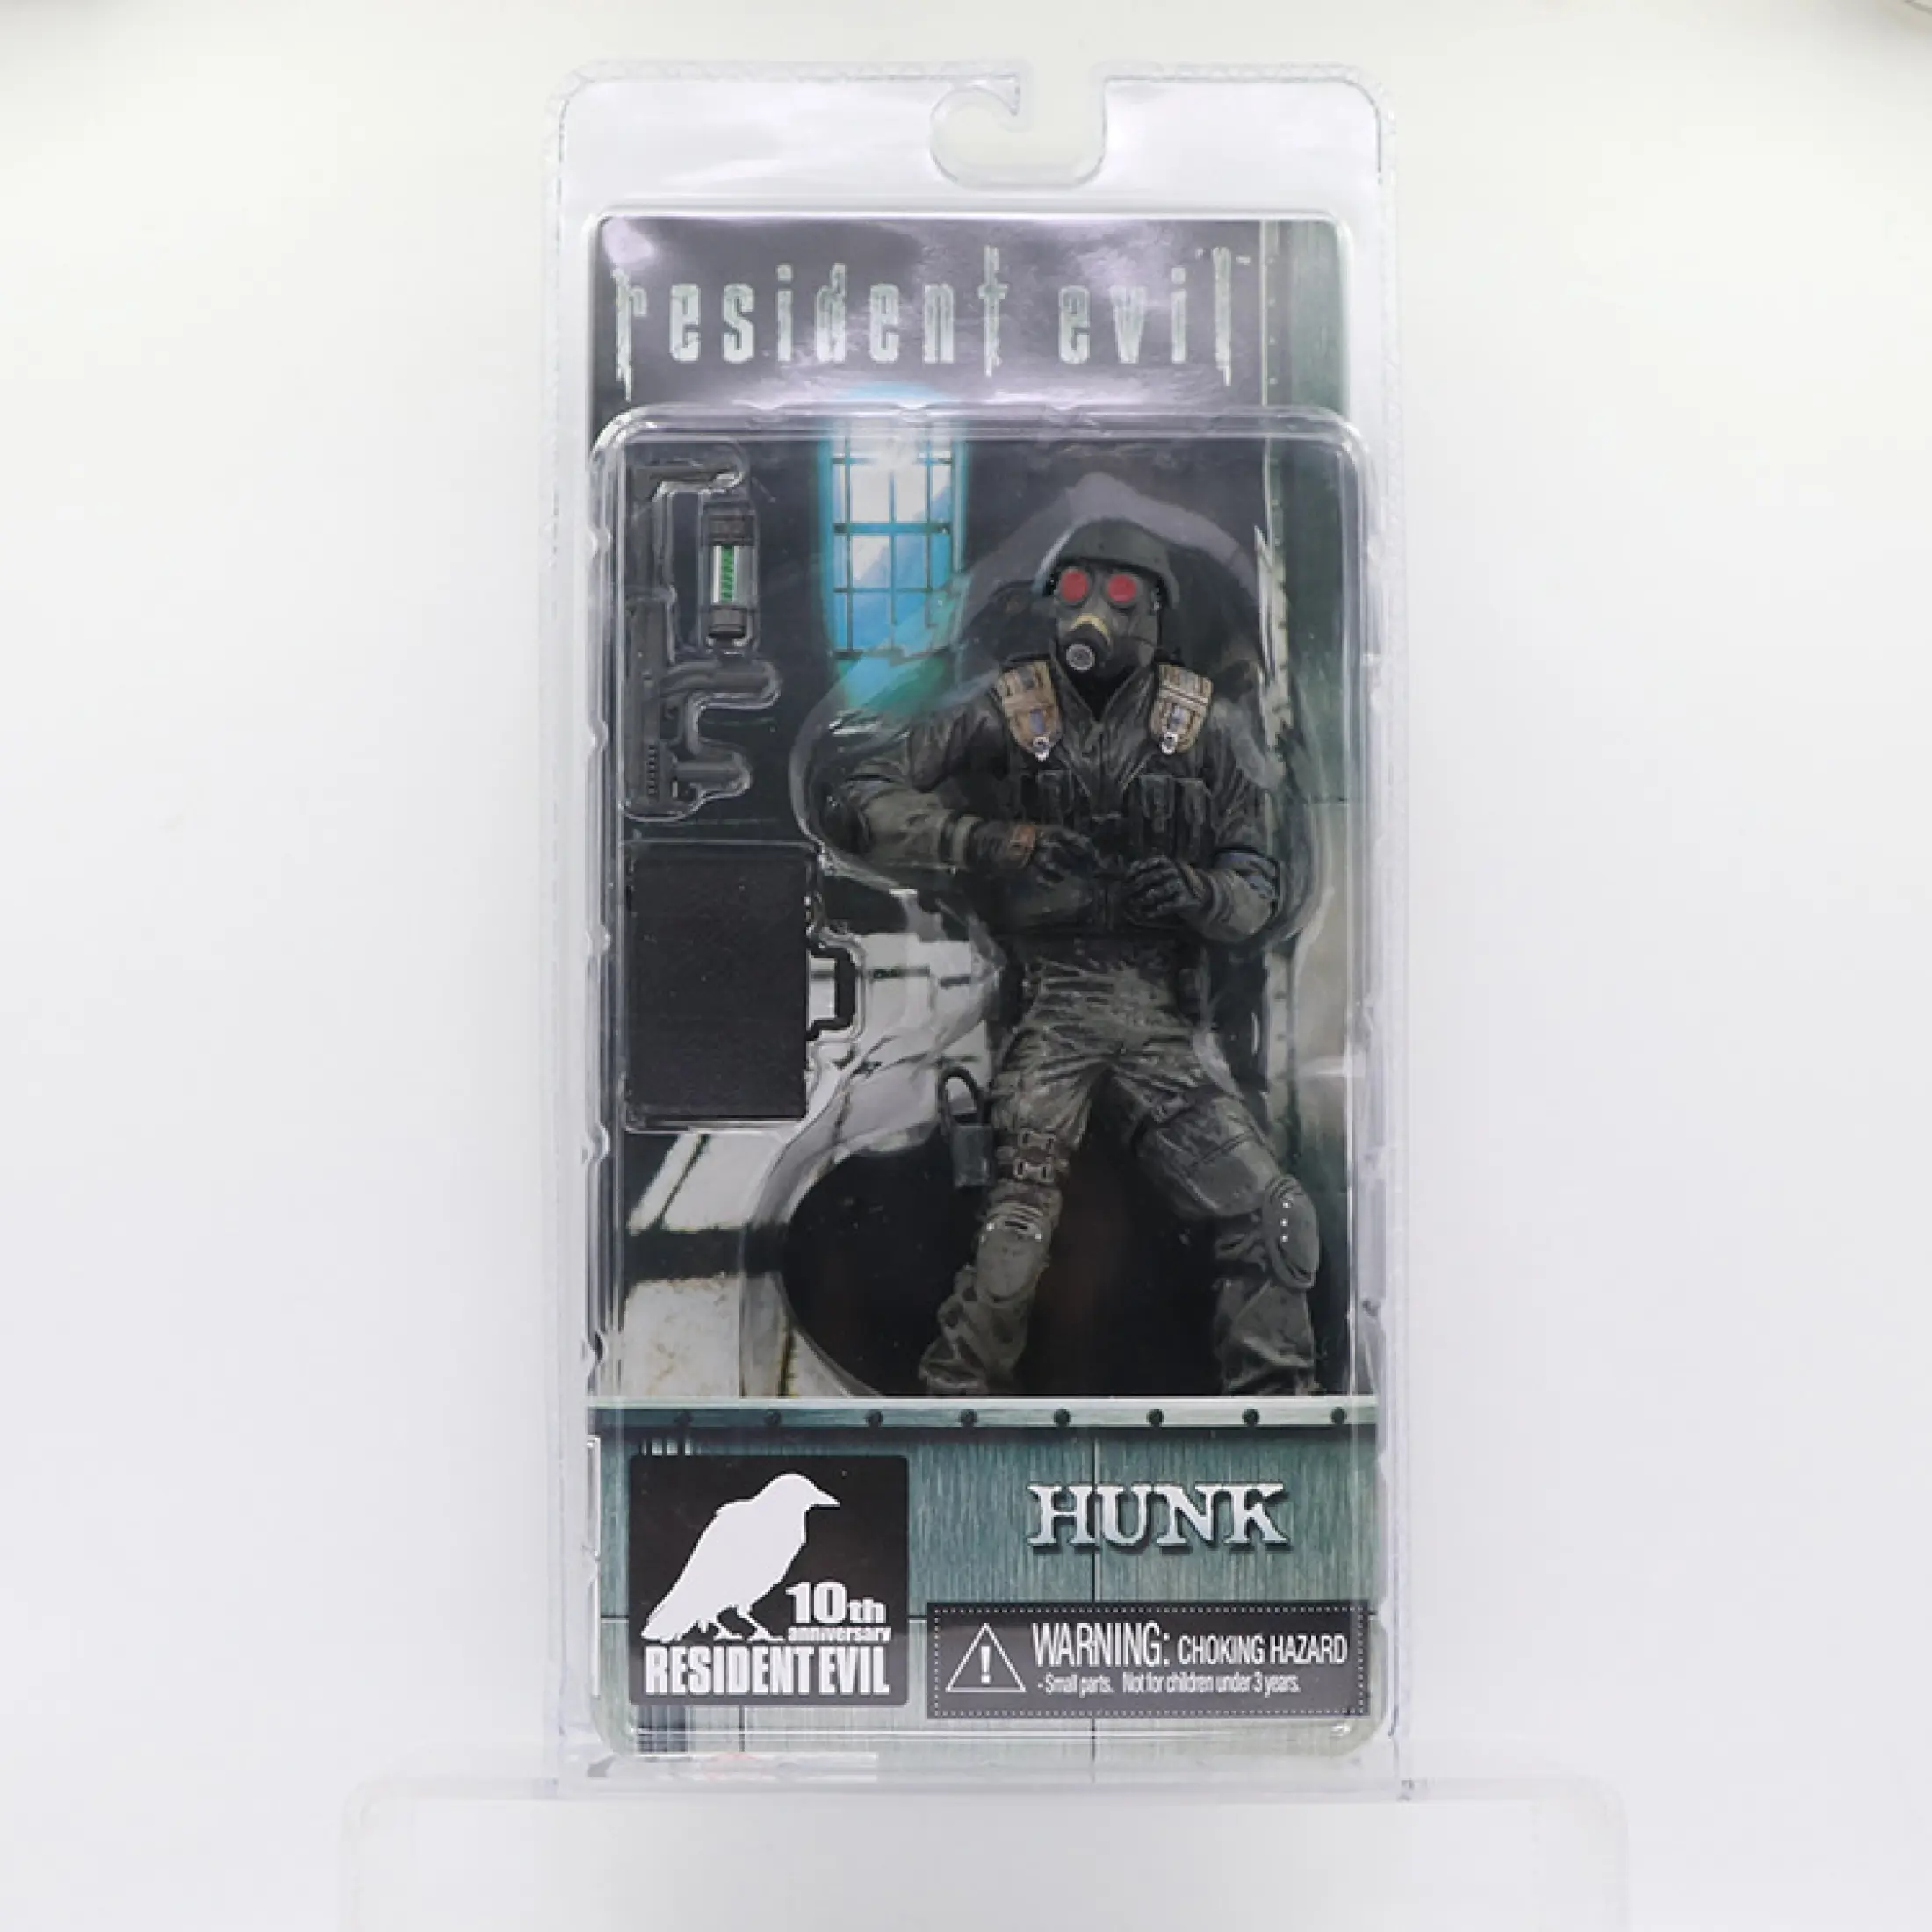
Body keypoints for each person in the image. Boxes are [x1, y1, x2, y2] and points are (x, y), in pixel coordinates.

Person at [833, 519, 1320, 1397]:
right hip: (1055, 1007)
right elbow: (859, 802)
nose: (1094, 611)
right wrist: (993, 841)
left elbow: (1257, 890)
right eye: (1075, 589)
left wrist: (1197, 893)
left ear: (1155, 610)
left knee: (1270, 1212)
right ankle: (955, 1400)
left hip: (1160, 1020)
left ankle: (1275, 1409)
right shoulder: (1008, 711)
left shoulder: (1207, 728)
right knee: (1013, 1237)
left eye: (1120, 593)